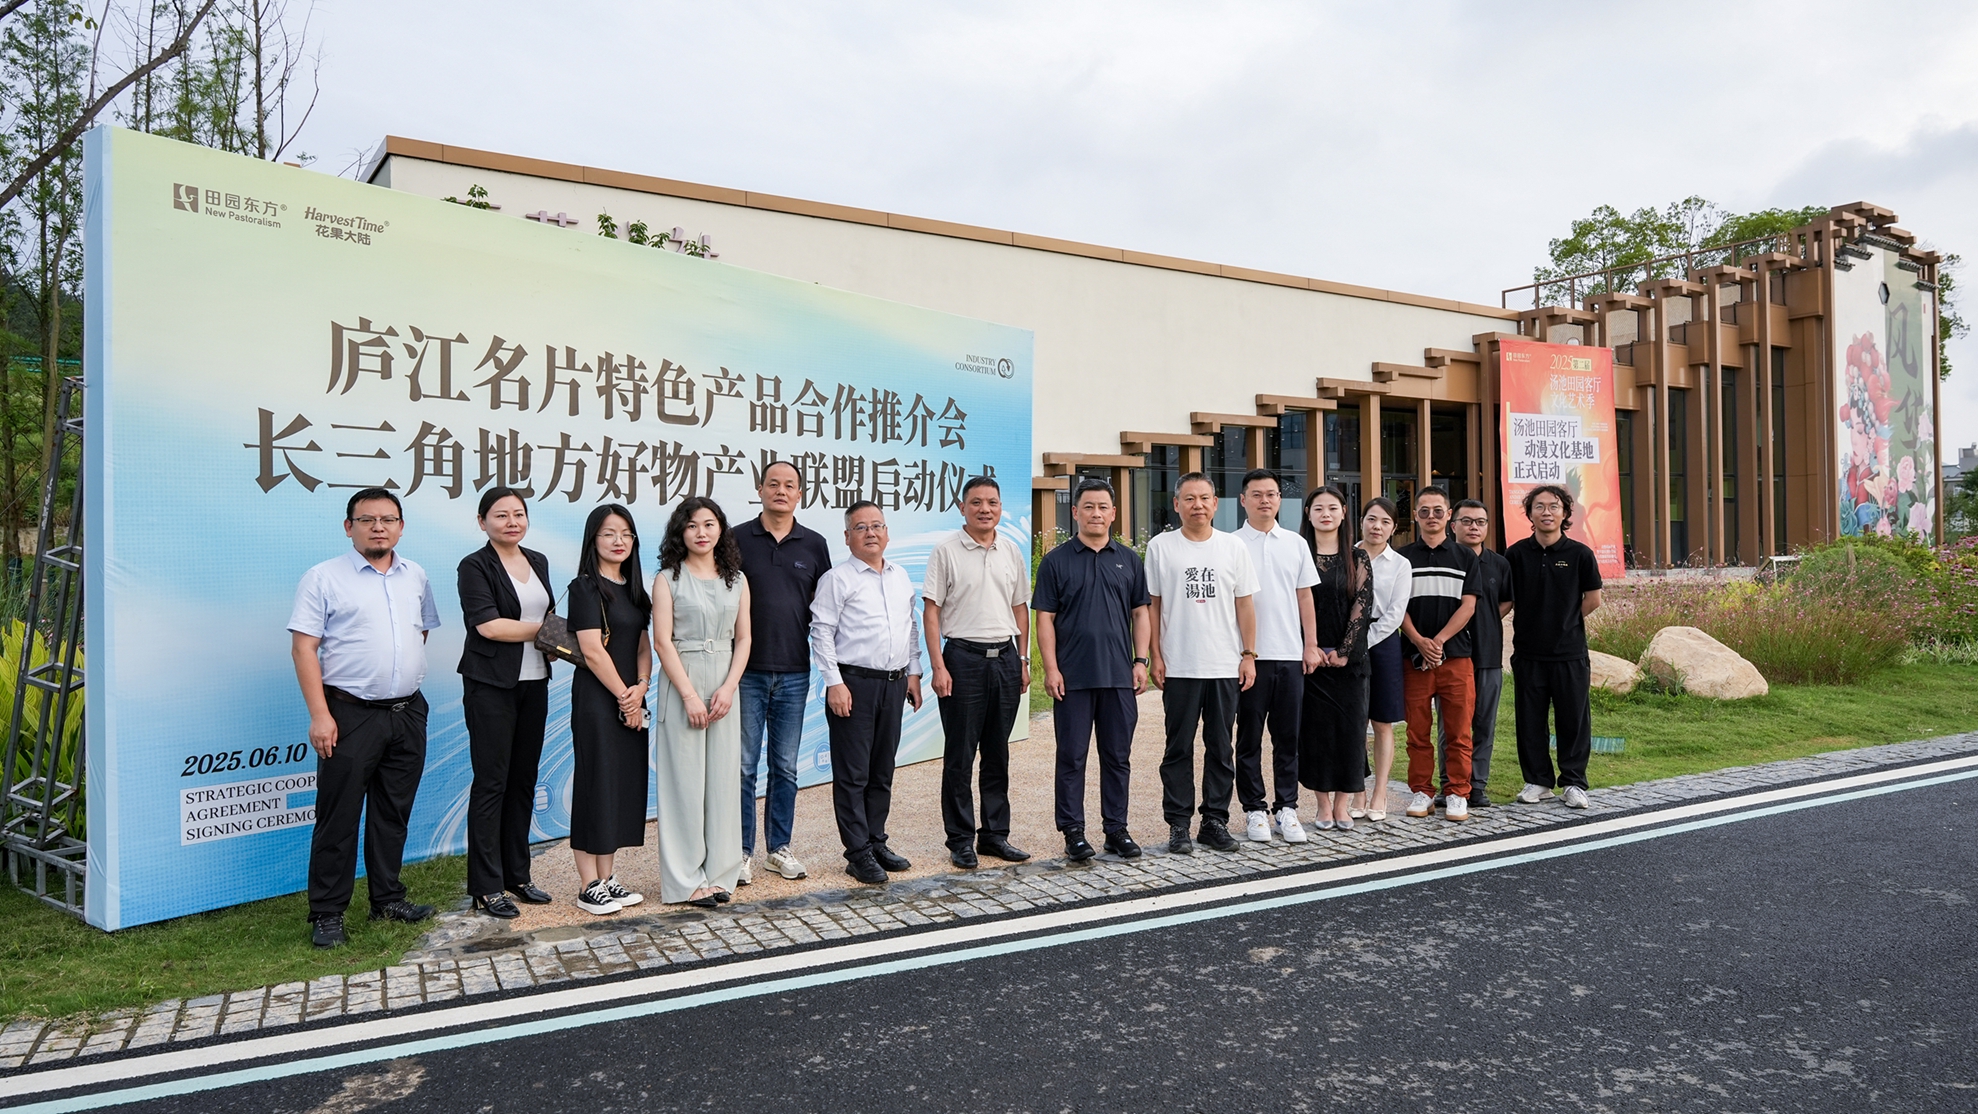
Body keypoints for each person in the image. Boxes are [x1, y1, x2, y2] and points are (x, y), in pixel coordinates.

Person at [288, 488, 440, 949]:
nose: (378, 527)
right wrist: (321, 715)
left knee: (392, 813)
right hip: (349, 714)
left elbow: (420, 632)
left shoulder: (416, 575)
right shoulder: (323, 578)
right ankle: (328, 912)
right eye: (367, 519)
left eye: (388, 519)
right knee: (338, 817)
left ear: (401, 527)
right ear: (348, 526)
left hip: (407, 712)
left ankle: (387, 898)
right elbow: (304, 648)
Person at [1034, 479, 1151, 862]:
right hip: (1073, 678)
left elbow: (1140, 613)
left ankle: (1116, 830)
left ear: (1113, 513)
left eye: (1103, 507)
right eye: (1088, 506)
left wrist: (1141, 661)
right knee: (1072, 757)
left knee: (1117, 756)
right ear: (1075, 512)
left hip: (1119, 676)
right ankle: (1073, 833)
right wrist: (1051, 669)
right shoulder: (1056, 561)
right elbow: (1045, 618)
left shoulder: (1129, 560)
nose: (1095, 513)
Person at [811, 501, 925, 884]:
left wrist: (913, 673)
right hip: (853, 685)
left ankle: (876, 841)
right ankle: (857, 852)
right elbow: (821, 632)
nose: (870, 533)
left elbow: (910, 628)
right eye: (861, 527)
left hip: (894, 683)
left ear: (887, 533)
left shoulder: (899, 576)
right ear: (847, 537)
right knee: (853, 774)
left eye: (877, 525)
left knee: (882, 770)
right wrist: (834, 683)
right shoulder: (837, 579)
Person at [1146, 472, 1259, 855]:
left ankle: (1214, 821)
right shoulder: (1161, 547)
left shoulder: (1232, 547)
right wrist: (1156, 655)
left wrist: (1248, 655)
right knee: (1177, 748)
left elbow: (1245, 604)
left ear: (1215, 503)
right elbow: (1153, 605)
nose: (1198, 505)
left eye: (1205, 498)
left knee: (1220, 747)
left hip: (1224, 664)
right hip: (1179, 664)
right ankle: (1178, 824)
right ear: (1176, 504)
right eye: (1189, 498)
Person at [923, 475, 1032, 869]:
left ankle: (994, 836)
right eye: (976, 502)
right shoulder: (946, 550)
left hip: (1005, 659)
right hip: (962, 660)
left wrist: (1023, 659)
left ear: (1000, 507)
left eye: (992, 503)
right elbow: (931, 611)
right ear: (962, 507)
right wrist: (938, 666)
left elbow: (1020, 607)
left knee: (997, 753)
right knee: (960, 755)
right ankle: (960, 840)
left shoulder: (1011, 549)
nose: (985, 509)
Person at [456, 487, 556, 919]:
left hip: (535, 682)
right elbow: (489, 627)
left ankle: (517, 874)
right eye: (501, 515)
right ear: (483, 522)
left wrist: (555, 640)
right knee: (492, 782)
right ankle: (486, 886)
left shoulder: (538, 560)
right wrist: (548, 632)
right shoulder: (474, 566)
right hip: (491, 686)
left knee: (523, 781)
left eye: (518, 514)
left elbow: (546, 616)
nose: (512, 522)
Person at [651, 497, 752, 907]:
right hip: (683, 681)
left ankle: (721, 874)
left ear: (720, 529)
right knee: (684, 784)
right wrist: (689, 695)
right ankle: (685, 881)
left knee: (724, 782)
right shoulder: (667, 579)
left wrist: (729, 687)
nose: (701, 532)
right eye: (692, 525)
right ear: (681, 532)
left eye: (709, 524)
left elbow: (744, 638)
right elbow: (662, 642)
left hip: (726, 683)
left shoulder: (737, 580)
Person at [735, 461, 831, 885]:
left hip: (794, 671)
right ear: (759, 489)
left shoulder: (815, 544)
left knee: (785, 767)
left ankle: (778, 848)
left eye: (789, 485)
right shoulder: (736, 539)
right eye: (773, 483)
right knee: (743, 767)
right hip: (745, 673)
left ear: (800, 494)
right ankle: (740, 851)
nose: (781, 490)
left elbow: (826, 610)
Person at [566, 504, 654, 915]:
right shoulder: (585, 587)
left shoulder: (634, 589)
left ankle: (607, 878)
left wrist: (642, 687)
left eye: (626, 534)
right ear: (593, 539)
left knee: (618, 785)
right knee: (595, 783)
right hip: (598, 701)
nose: (618, 541)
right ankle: (588, 886)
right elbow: (592, 651)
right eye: (608, 533)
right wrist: (625, 697)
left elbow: (642, 646)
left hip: (631, 697)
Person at [1232, 469, 1320, 844]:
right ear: (1243, 500)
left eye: (1271, 494)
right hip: (1248, 658)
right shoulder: (1231, 544)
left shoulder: (1296, 543)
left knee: (1288, 738)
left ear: (1280, 500)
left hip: (1289, 654)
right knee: (1249, 737)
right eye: (1256, 494)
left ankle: (1287, 808)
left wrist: (1310, 644)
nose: (1264, 500)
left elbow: (1304, 596)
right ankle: (1254, 809)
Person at [1506, 484, 1605, 810]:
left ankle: (1574, 782)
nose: (1546, 512)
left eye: (1553, 506)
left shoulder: (1580, 554)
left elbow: (1593, 599)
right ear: (1529, 513)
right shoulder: (1516, 554)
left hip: (1569, 653)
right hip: (1528, 653)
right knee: (1530, 721)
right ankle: (1538, 781)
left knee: (1572, 720)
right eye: (1539, 506)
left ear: (1565, 513)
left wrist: (1564, 621)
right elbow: (1507, 599)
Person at [1396, 486, 1480, 822]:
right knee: (1417, 731)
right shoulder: (1402, 558)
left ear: (1449, 516)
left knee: (1459, 731)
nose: (1431, 516)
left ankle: (1458, 792)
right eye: (1424, 511)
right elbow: (1397, 607)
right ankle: (1422, 791)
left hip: (1455, 657)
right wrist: (1419, 641)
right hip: (1413, 658)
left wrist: (1439, 641)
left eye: (1437, 511)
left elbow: (1469, 606)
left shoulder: (1465, 557)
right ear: (1415, 516)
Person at [1295, 486, 1373, 831]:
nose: (1325, 514)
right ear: (1308, 514)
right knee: (1316, 733)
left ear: (1343, 513)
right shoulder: (1299, 554)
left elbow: (1362, 606)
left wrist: (1344, 651)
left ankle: (1343, 803)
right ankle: (1322, 805)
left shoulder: (1358, 557)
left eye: (1332, 508)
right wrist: (1310, 647)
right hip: (1308, 660)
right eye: (1318, 508)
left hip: (1349, 663)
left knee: (1350, 732)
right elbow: (1292, 605)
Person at [1442, 498, 1513, 810]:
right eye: (1467, 521)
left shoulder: (1499, 564)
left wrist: (1486, 622)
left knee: (1484, 723)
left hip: (1488, 655)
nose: (1474, 527)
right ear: (1453, 525)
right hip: (1451, 656)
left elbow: (1506, 601)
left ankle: (1477, 785)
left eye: (1480, 522)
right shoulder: (1444, 560)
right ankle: (1449, 785)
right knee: (1450, 726)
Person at [1358, 497, 1410, 822]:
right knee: (1354, 720)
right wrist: (1351, 642)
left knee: (1382, 722)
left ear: (1393, 528)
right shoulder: (1347, 555)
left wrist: (1363, 642)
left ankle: (1380, 792)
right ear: (1362, 521)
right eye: (1372, 519)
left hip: (1384, 643)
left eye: (1385, 522)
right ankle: (1357, 791)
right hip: (1348, 640)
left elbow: (1396, 613)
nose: (1377, 526)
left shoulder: (1400, 564)